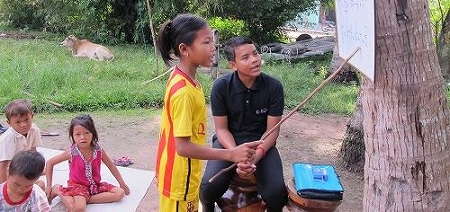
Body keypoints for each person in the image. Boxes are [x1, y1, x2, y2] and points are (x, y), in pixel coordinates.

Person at [155, 13, 262, 212]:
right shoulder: (184, 91)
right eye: (206, 42)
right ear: (184, 49)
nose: (213, 47)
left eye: (212, 42)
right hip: (180, 179)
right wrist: (231, 154)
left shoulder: (187, 79)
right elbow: (183, 147)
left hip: (183, 174)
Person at [200, 36, 288, 212]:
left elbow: (272, 131)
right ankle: (208, 208)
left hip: (262, 143)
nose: (255, 60)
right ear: (233, 65)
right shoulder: (221, 87)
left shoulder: (273, 87)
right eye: (246, 57)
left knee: (277, 195)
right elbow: (222, 129)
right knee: (209, 188)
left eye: (255, 53)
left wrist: (255, 156)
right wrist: (235, 154)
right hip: (228, 144)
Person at [45, 114, 130, 211]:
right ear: (72, 136)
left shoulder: (98, 150)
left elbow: (111, 165)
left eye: (87, 133)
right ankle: (58, 190)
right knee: (79, 209)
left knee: (120, 193)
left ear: (93, 133)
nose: (82, 137)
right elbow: (50, 163)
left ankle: (85, 199)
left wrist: (122, 183)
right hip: (78, 186)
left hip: (95, 186)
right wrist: (48, 186)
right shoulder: (71, 153)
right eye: (77, 134)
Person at [0, 99, 43, 184]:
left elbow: (33, 152)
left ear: (32, 116)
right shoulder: (8, 138)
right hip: (8, 172)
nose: (23, 124)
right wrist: (3, 188)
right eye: (17, 122)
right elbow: (3, 166)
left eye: (26, 119)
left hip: (23, 170)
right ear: (9, 123)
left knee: (41, 185)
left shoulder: (34, 130)